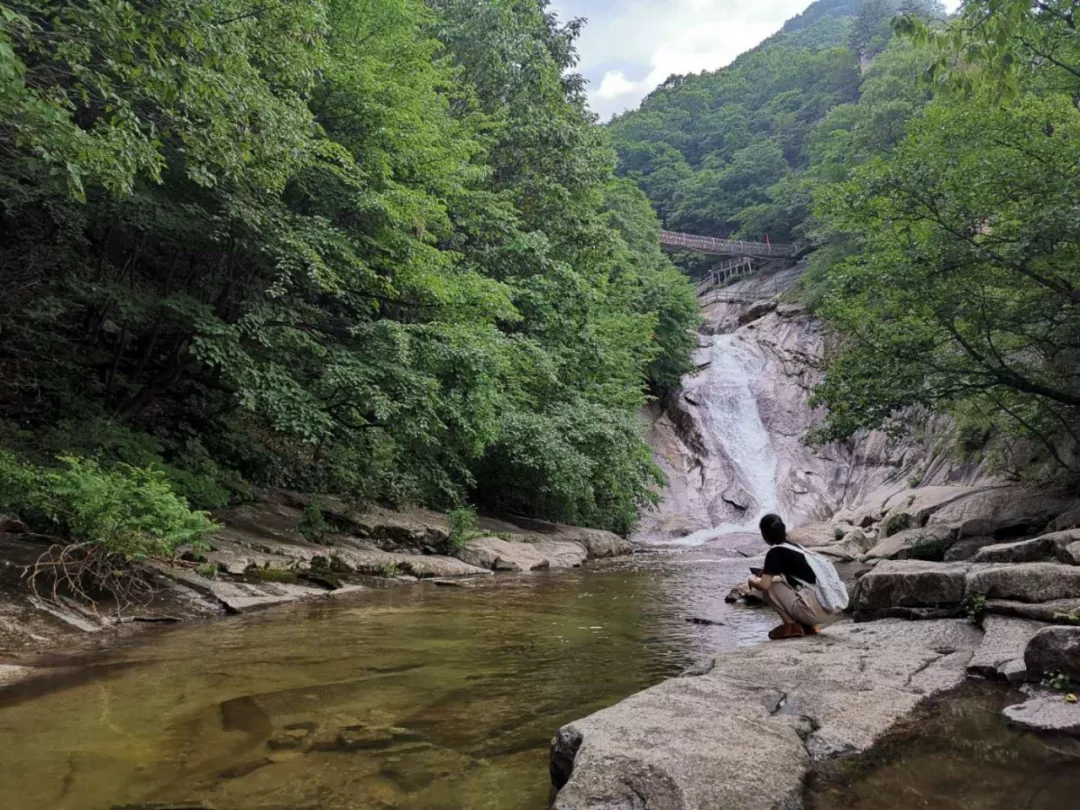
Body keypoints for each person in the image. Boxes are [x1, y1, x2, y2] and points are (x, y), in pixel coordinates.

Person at [748, 513, 832, 640]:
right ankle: (809, 626)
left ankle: (792, 626)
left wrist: (752, 581)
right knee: (783, 583)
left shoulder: (775, 552)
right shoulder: (797, 548)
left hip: (812, 612)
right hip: (828, 608)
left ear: (764, 535)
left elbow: (764, 585)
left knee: (771, 587)